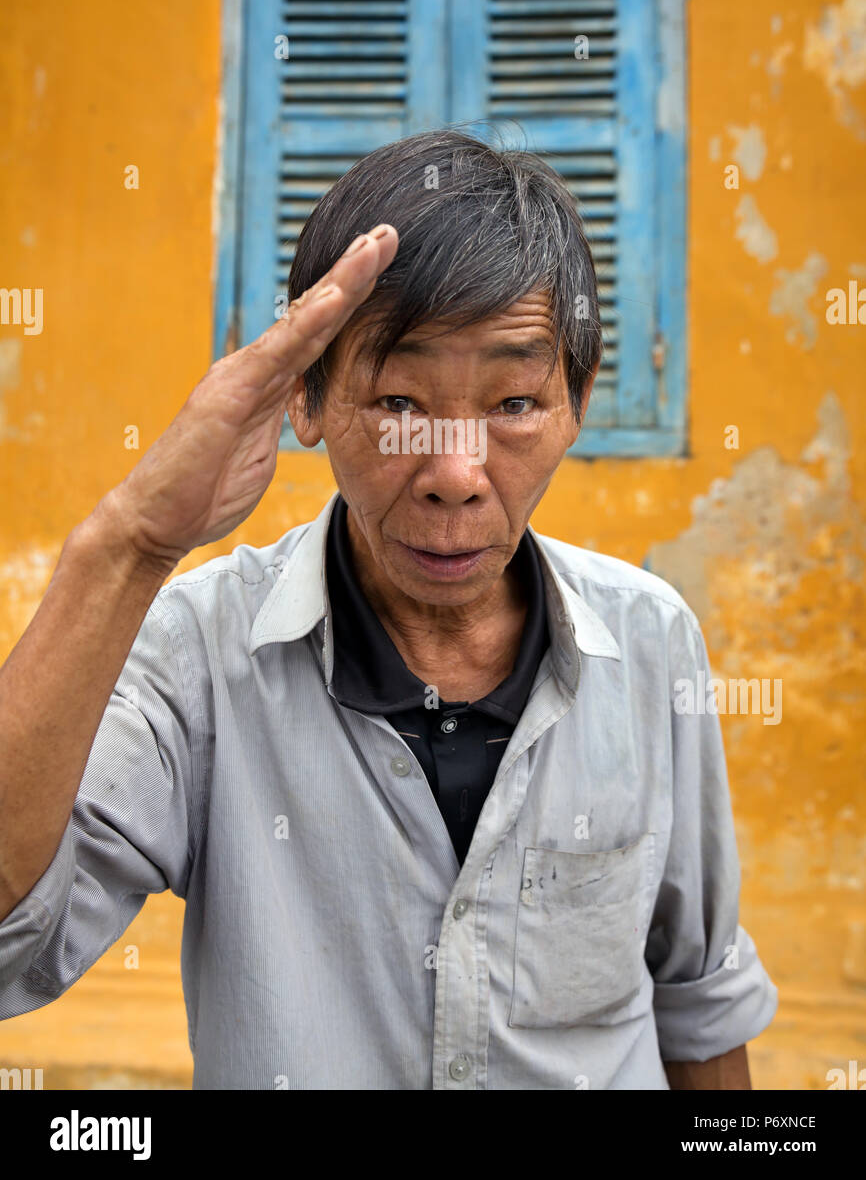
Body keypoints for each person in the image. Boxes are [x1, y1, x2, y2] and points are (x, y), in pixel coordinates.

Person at [0, 129, 777, 1090]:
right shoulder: (202, 651)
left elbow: (696, 1002)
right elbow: (8, 944)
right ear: (308, 399)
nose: (455, 474)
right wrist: (127, 545)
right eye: (400, 400)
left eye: (513, 403)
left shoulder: (652, 642)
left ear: (577, 402)